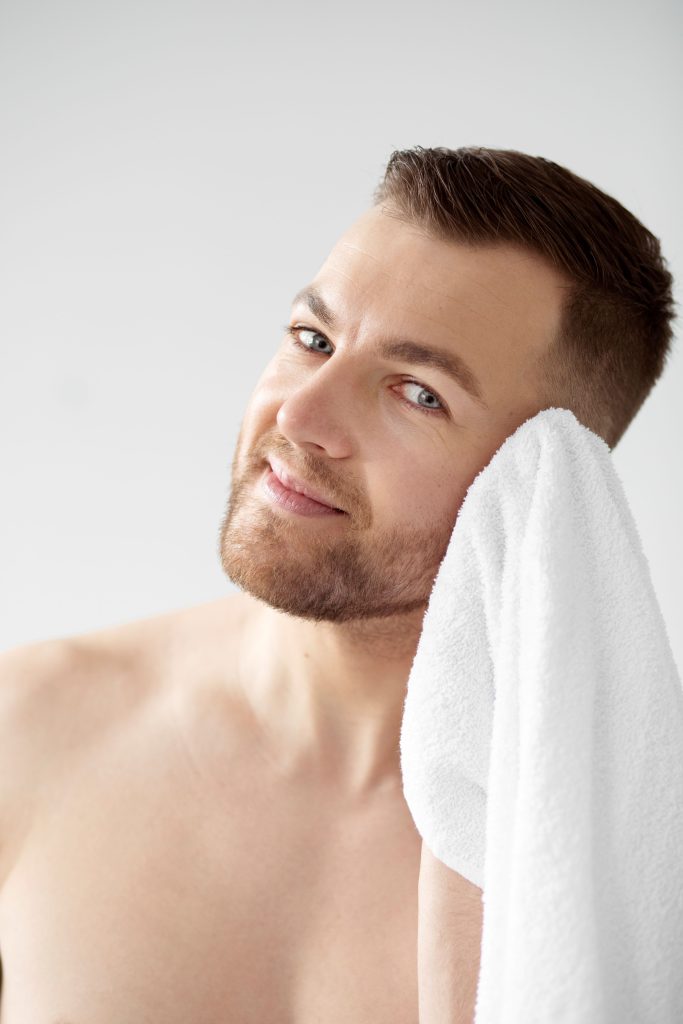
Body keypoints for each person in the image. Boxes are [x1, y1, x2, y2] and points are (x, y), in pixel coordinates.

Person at [0, 146, 675, 1023]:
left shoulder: (604, 858)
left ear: (543, 485)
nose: (300, 416)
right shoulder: (31, 729)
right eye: (311, 339)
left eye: (415, 392)